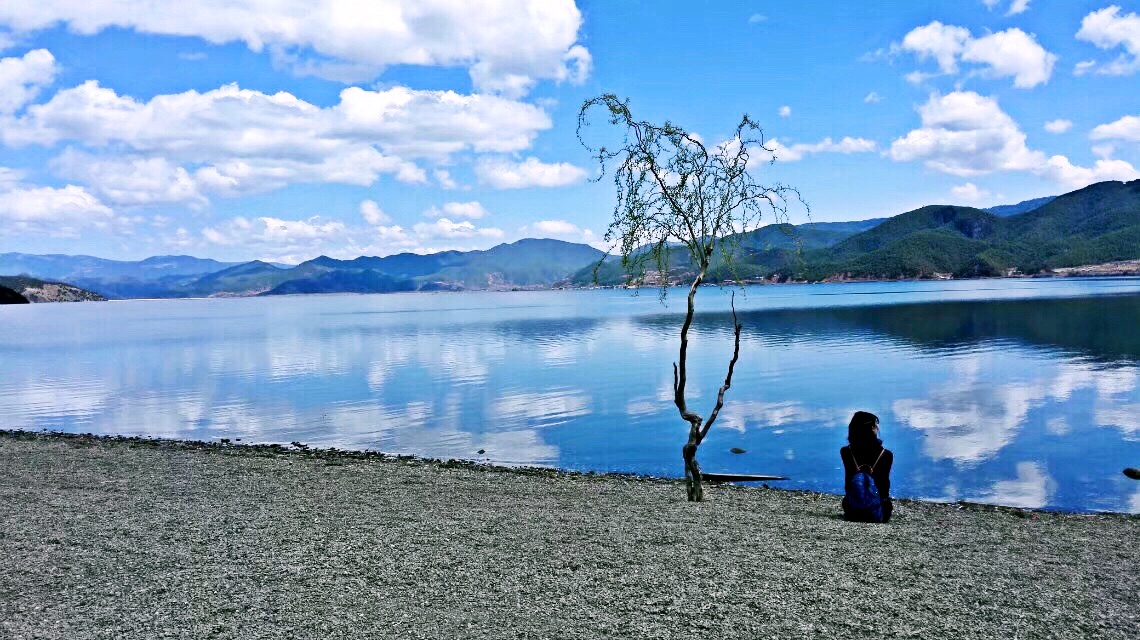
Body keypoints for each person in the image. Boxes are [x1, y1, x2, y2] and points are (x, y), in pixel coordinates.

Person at [841, 410, 894, 522]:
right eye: (875, 426)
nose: (877, 429)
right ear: (871, 429)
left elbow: (848, 486)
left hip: (852, 512)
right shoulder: (886, 455)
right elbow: (884, 489)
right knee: (885, 502)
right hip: (877, 513)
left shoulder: (845, 452)